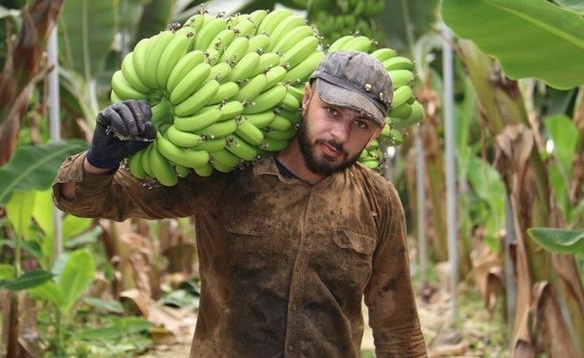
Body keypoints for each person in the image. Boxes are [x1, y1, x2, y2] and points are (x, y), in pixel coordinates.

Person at [53, 51, 427, 357]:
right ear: (307, 97)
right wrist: (99, 160)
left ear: (376, 132)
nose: (340, 134)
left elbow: (397, 325)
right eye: (332, 112)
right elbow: (96, 200)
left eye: (360, 124)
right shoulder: (227, 169)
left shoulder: (377, 201)